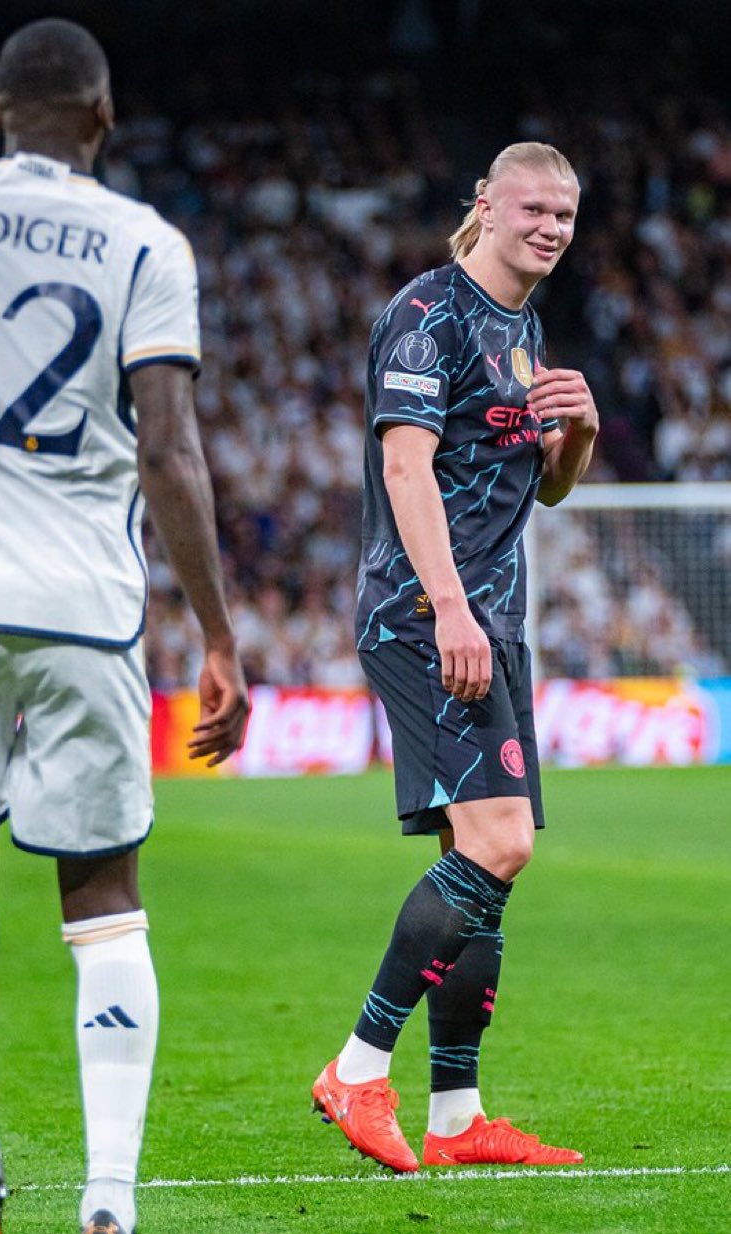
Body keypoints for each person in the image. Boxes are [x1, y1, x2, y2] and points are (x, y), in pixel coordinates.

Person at [0, 19, 249, 1234]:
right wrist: (218, 635)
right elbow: (169, 452)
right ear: (106, 118)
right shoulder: (143, 244)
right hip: (81, 604)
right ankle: (110, 1201)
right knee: (104, 897)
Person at [312, 142, 597, 1171]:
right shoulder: (426, 314)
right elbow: (404, 462)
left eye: (564, 214)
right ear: (484, 205)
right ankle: (354, 1065)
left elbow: (548, 489)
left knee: (481, 862)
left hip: (491, 624)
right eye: (532, 208)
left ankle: (454, 1115)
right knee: (498, 843)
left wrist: (580, 432)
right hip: (429, 619)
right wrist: (448, 608)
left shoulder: (523, 329)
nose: (550, 228)